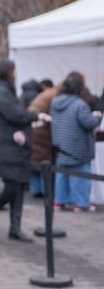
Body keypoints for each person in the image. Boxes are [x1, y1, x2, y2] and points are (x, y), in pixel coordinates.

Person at [0, 59, 50, 242]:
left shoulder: (1, 89)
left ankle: (15, 228)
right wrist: (36, 115)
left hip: (12, 146)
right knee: (12, 187)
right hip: (6, 147)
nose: (17, 73)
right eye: (15, 70)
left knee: (18, 186)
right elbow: (15, 115)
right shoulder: (0, 92)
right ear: (9, 71)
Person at [50, 71, 101, 212]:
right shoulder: (79, 104)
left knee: (62, 175)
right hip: (78, 147)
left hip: (60, 146)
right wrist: (97, 116)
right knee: (80, 175)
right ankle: (81, 204)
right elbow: (88, 122)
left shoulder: (55, 102)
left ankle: (59, 202)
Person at [27, 81, 59, 199]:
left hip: (32, 135)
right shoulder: (52, 96)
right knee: (44, 166)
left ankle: (36, 190)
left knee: (35, 165)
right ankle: (46, 191)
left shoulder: (37, 98)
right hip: (43, 137)